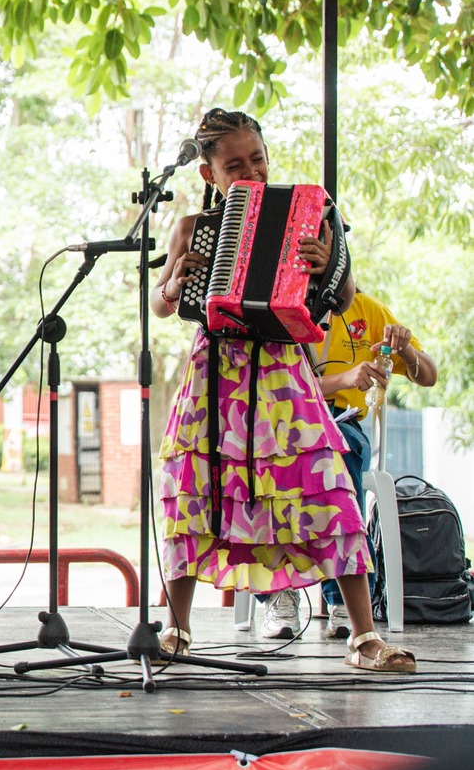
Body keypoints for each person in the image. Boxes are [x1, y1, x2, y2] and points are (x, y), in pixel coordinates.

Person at [150, 107, 416, 672]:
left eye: (258, 160)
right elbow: (163, 302)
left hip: (280, 368)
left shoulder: (311, 215)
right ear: (209, 174)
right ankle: (176, 627)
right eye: (235, 166)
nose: (252, 171)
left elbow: (342, 299)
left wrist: (324, 266)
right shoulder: (192, 227)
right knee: (194, 491)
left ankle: (363, 637)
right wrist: (176, 280)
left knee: (325, 486)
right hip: (215, 371)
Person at [260, 289, 437, 639]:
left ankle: (343, 596)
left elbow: (428, 376)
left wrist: (405, 348)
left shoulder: (366, 309)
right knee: (267, 464)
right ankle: (277, 591)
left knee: (339, 454)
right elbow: (274, 381)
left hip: (342, 421)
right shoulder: (276, 305)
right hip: (283, 416)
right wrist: (345, 378)